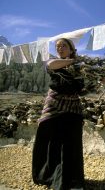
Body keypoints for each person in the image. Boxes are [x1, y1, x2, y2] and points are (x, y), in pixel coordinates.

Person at [32, 38, 85, 190]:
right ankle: (49, 176)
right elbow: (50, 65)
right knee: (53, 142)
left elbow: (83, 89)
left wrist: (101, 80)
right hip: (54, 107)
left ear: (71, 48)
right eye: (57, 46)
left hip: (73, 108)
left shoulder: (79, 69)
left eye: (63, 46)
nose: (60, 48)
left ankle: (71, 180)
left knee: (71, 144)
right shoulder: (55, 63)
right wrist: (74, 61)